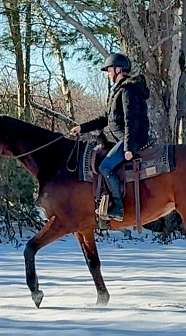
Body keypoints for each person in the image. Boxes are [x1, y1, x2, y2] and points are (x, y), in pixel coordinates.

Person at [70, 53, 150, 221]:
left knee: (105, 167)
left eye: (109, 70)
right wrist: (82, 128)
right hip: (123, 138)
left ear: (118, 69)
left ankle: (118, 208)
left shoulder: (128, 90)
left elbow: (131, 121)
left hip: (131, 139)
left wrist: (129, 148)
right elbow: (105, 119)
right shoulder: (119, 91)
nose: (108, 74)